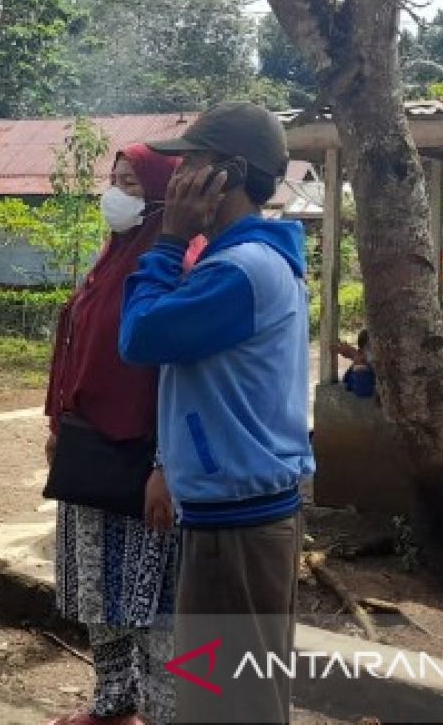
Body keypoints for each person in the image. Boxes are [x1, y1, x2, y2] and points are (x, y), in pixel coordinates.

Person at [119, 102, 314, 725]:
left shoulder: (239, 269)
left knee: (234, 708)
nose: (177, 177)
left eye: (192, 162)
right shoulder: (239, 261)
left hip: (239, 526)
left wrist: (169, 239)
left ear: (224, 175)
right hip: (230, 514)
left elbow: (140, 335)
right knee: (223, 701)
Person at [45, 144, 197, 725]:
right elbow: (74, 343)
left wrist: (164, 464)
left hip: (143, 458)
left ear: (162, 194)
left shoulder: (176, 270)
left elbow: (177, 378)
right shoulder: (108, 261)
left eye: (131, 182)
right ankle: (113, 704)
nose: (117, 193)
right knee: (98, 595)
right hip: (89, 452)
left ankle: (165, 712)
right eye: (116, 181)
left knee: (151, 603)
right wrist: (59, 421)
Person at [337, 329, 376, 398]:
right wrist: (359, 362)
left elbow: (363, 391)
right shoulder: (362, 368)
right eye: (371, 348)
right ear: (361, 351)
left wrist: (358, 361)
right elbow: (360, 389)